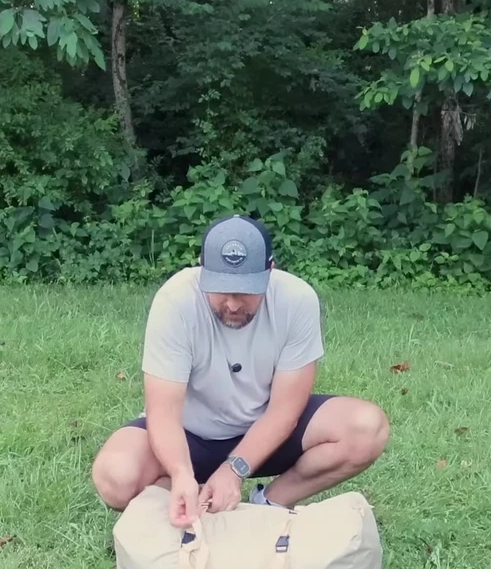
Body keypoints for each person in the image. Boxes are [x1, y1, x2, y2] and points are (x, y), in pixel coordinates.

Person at [90, 216, 390, 527]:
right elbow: (162, 412)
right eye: (221, 289)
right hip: (190, 434)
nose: (233, 304)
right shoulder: (175, 299)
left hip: (265, 430)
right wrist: (181, 473)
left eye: (245, 291)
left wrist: (233, 470)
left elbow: (285, 412)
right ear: (202, 270)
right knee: (115, 476)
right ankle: (192, 497)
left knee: (367, 427)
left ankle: (270, 503)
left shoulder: (298, 300)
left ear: (269, 271)